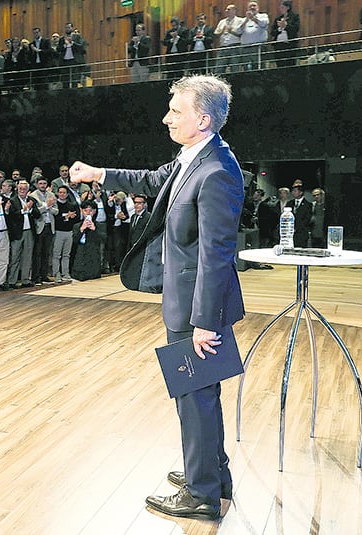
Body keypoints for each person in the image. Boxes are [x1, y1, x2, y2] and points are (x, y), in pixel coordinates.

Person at [70, 74, 244, 520]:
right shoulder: (193, 158)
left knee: (195, 395)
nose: (166, 117)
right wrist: (98, 174)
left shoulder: (217, 172)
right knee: (197, 394)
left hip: (196, 309)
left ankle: (201, 493)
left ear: (202, 120)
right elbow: (150, 180)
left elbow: (216, 255)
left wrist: (205, 320)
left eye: (176, 111)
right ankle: (210, 475)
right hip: (187, 303)